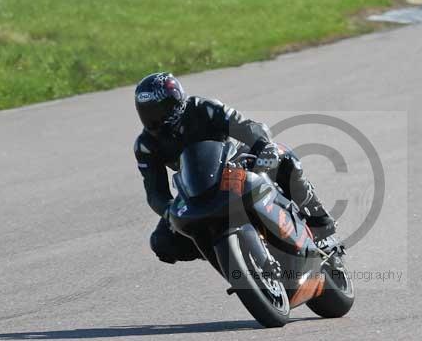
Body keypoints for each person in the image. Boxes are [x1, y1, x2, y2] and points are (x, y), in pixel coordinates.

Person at [133, 72, 336, 264]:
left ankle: (319, 222)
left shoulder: (204, 108)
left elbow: (246, 127)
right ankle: (225, 254)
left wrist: (263, 147)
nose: (155, 118)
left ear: (176, 101)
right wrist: (168, 211)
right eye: (147, 113)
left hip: (236, 165)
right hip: (195, 190)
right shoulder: (146, 145)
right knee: (163, 243)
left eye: (160, 109)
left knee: (285, 157)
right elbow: (154, 192)